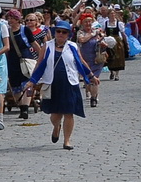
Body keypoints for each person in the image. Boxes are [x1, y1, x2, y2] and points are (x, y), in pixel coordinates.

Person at [29, 20, 94, 150]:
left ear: (68, 34)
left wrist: (91, 75)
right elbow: (40, 64)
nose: (61, 34)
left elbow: (80, 62)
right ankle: (56, 126)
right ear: (55, 32)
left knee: (69, 113)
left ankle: (67, 140)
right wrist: (32, 80)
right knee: (55, 115)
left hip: (70, 83)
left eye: (64, 32)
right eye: (58, 31)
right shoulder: (47, 46)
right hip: (53, 84)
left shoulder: (73, 46)